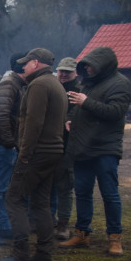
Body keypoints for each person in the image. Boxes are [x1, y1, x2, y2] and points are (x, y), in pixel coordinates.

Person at [0, 48, 68, 261]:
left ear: (36, 63)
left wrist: (24, 155)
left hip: (36, 153)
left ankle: (20, 254)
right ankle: (44, 254)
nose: (23, 67)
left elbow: (33, 123)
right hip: (53, 151)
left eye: (26, 63)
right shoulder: (56, 85)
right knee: (41, 203)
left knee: (14, 199)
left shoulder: (39, 85)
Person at [59, 46, 131, 256]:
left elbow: (115, 112)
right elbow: (74, 107)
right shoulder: (88, 83)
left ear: (103, 66)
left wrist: (87, 102)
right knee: (82, 192)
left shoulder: (121, 84)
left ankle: (115, 237)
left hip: (105, 148)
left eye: (91, 66)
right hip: (82, 146)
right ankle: (82, 233)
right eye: (87, 66)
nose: (88, 69)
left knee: (109, 194)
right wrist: (70, 119)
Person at [0, 53, 27, 246]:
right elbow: (1, 116)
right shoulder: (9, 85)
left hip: (7, 144)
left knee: (5, 188)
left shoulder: (17, 84)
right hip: (2, 145)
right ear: (23, 65)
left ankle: (2, 225)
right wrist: (10, 142)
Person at [51, 58, 79, 239]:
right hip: (51, 143)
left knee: (65, 186)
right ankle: (47, 220)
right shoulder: (54, 87)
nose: (64, 74)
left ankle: (63, 224)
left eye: (68, 71)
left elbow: (76, 115)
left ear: (75, 72)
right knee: (47, 185)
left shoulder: (78, 91)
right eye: (61, 70)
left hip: (68, 146)